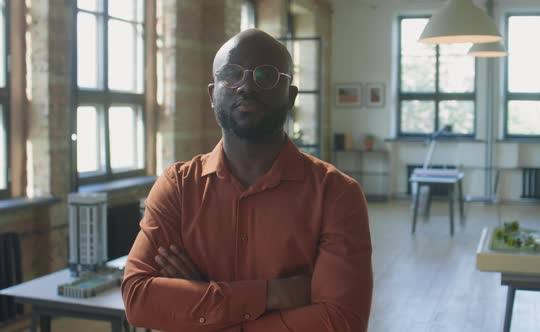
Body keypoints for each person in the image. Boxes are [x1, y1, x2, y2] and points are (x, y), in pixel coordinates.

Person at [121, 28, 373, 332]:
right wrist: (273, 293)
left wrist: (204, 301)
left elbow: (341, 321)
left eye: (266, 76)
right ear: (213, 95)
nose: (246, 86)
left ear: (290, 96)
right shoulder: (178, 186)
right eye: (231, 74)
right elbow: (138, 299)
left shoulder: (336, 194)